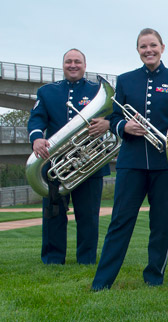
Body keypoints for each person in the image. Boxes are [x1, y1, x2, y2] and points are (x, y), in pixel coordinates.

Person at [92, 28, 168, 290]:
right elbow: (112, 117)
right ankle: (102, 282)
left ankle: (154, 277)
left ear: (162, 47)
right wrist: (124, 126)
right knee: (120, 222)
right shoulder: (124, 80)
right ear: (138, 50)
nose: (149, 50)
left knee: (161, 224)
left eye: (153, 46)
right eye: (143, 47)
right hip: (131, 162)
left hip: (165, 165)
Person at [28, 48, 110, 265]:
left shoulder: (96, 90)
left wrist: (107, 123)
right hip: (55, 163)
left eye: (77, 62)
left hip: (89, 162)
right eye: (68, 62)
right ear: (62, 65)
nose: (73, 65)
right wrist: (37, 138)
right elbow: (36, 120)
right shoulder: (47, 92)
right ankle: (53, 259)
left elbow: (115, 115)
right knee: (53, 214)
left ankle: (87, 259)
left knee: (89, 215)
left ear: (85, 65)